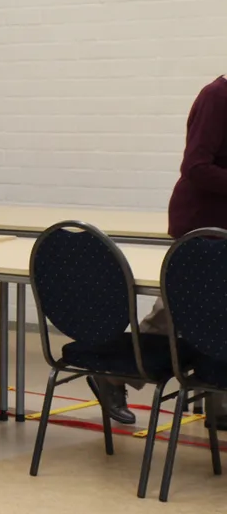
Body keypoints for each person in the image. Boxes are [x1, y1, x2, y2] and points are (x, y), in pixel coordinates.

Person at [89, 75, 227, 429]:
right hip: (203, 226)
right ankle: (113, 374)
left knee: (199, 314)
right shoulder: (217, 96)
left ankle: (217, 400)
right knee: (175, 312)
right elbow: (196, 167)